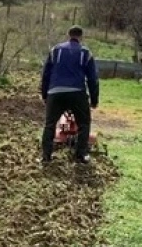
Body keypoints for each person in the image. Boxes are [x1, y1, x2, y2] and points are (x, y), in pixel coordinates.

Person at [39, 25, 99, 164]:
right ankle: (80, 155)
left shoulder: (55, 50)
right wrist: (94, 100)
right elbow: (93, 79)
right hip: (77, 92)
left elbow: (46, 74)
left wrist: (45, 95)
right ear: (81, 37)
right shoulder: (86, 53)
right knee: (84, 123)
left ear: (68, 35)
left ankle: (46, 156)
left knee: (50, 124)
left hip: (55, 92)